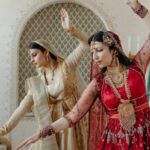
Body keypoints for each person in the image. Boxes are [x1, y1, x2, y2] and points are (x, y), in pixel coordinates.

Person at [17, 0, 150, 150]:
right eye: (92, 52)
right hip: (115, 142)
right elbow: (72, 116)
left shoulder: (137, 66)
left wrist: (137, 7)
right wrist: (41, 133)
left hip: (146, 134)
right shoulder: (98, 83)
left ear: (113, 50)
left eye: (99, 50)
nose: (94, 57)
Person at [0, 8, 89, 150]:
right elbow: (22, 108)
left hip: (69, 126)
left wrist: (71, 30)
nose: (31, 60)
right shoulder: (38, 82)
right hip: (48, 126)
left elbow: (86, 43)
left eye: (34, 55)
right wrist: (3, 130)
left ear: (46, 53)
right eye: (30, 56)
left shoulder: (67, 66)